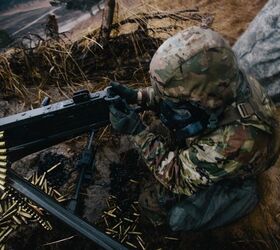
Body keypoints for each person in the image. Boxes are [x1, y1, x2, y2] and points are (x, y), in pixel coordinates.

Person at [109, 26, 280, 231]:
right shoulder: (224, 79)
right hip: (226, 140)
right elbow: (177, 96)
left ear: (207, 99)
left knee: (172, 216)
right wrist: (139, 97)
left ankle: (242, 194)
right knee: (169, 126)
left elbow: (177, 176)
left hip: (241, 162)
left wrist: (138, 132)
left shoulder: (234, 140)